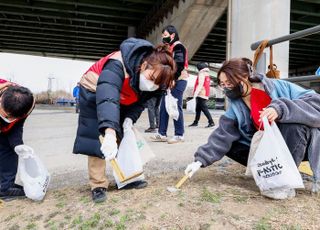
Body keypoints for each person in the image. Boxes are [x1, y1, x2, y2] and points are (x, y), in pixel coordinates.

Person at [184, 58, 320, 199]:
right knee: (230, 144)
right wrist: (200, 160)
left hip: (296, 143)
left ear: (244, 77)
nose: (226, 88)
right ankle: (267, 173)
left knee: (294, 127)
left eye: (229, 83)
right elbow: (222, 133)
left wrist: (281, 109)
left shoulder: (278, 86)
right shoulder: (236, 104)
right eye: (223, 84)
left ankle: (284, 182)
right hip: (269, 148)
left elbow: (316, 102)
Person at [73, 37, 176, 203]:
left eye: (157, 84)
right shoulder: (117, 64)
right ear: (143, 65)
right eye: (151, 78)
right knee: (98, 136)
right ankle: (98, 184)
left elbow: (140, 102)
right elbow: (108, 97)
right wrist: (109, 132)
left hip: (123, 96)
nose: (152, 85)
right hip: (94, 90)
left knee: (122, 135)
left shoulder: (159, 83)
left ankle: (126, 178)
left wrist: (129, 118)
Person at [151, 25, 188, 144]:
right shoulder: (171, 47)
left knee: (175, 106)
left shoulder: (179, 47)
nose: (163, 38)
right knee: (164, 107)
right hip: (170, 80)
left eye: (165, 35)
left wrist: (173, 79)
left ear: (172, 35)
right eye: (163, 36)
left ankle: (179, 135)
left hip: (179, 80)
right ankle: (162, 133)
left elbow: (180, 64)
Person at [0, 79, 35, 201]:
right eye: (5, 115)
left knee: (10, 149)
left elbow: (16, 126)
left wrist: (18, 144)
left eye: (11, 117)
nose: (7, 119)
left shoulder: (27, 103)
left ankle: (5, 187)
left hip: (5, 130)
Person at [189, 62, 215, 128]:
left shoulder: (201, 74)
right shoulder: (207, 74)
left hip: (201, 93)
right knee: (198, 109)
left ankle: (211, 122)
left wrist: (195, 93)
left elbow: (200, 84)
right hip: (205, 92)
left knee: (204, 108)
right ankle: (195, 122)